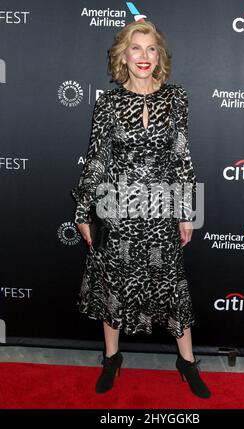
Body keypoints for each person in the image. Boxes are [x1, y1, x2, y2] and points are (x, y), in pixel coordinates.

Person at [71, 20, 211, 399]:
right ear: (123, 55)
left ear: (159, 55)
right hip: (115, 207)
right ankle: (112, 358)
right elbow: (97, 159)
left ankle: (187, 362)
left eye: (151, 49)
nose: (144, 56)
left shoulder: (176, 97)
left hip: (161, 207)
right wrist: (84, 211)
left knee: (172, 285)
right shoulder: (108, 102)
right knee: (113, 282)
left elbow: (182, 158)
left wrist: (187, 212)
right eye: (136, 48)